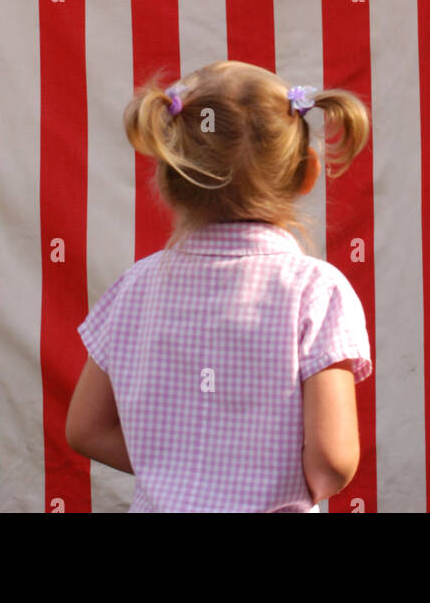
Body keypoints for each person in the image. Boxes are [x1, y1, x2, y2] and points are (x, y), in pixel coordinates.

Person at [66, 59, 373, 513]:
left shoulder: (137, 286)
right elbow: (332, 461)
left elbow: (85, 429)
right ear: (308, 173)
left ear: (170, 181)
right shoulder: (315, 290)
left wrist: (179, 469)